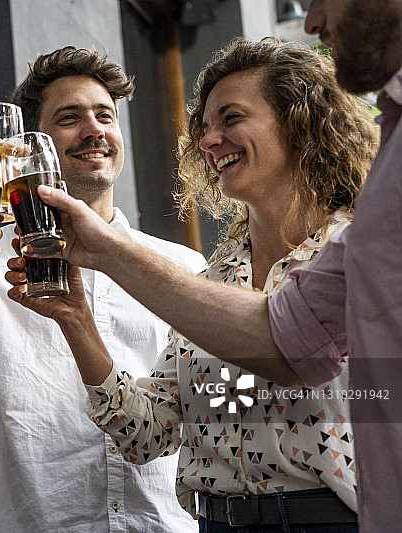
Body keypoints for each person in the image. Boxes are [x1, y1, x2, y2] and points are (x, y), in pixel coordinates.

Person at [27, 2, 402, 529]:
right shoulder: (213, 279)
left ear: (300, 121)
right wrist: (75, 319)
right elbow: (148, 433)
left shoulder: (361, 249)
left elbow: (326, 369)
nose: (207, 140)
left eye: (231, 118)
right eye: (203, 127)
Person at [0, 47, 206, 531]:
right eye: (70, 118)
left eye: (105, 116)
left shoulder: (182, 266)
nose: (94, 129)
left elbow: (208, 404)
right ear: (32, 146)